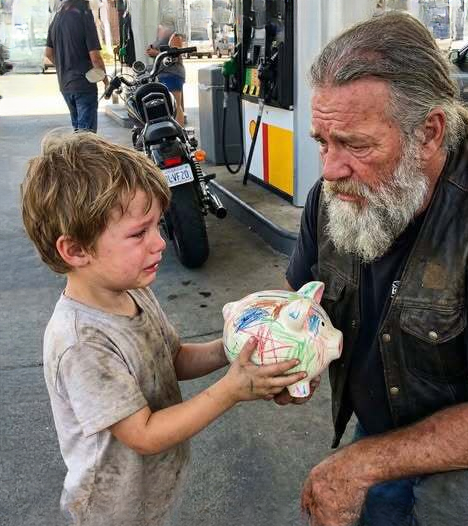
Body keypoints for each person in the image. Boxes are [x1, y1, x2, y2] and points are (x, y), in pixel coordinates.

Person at [283, 13, 468, 526]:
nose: (330, 169)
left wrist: (360, 464)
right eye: (323, 141)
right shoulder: (332, 195)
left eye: (356, 144)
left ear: (429, 132)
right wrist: (286, 352)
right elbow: (296, 302)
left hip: (462, 450)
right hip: (380, 425)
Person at [20, 132, 306, 526]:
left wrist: (235, 342)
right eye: (139, 233)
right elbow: (143, 433)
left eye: (158, 226)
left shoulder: (132, 289)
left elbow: (171, 358)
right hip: (112, 510)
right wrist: (231, 390)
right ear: (76, 250)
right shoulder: (81, 341)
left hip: (147, 493)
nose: (159, 244)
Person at [45, 0, 107, 133]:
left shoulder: (56, 18)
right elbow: (95, 57)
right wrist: (106, 82)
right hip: (84, 84)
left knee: (78, 131)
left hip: (65, 84)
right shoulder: (84, 15)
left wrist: (65, 66)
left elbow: (48, 54)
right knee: (86, 136)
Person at [146, 24, 186, 126]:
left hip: (172, 73)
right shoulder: (159, 33)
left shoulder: (174, 34)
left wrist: (156, 53)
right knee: (167, 105)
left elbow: (175, 54)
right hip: (161, 74)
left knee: (175, 105)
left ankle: (180, 131)